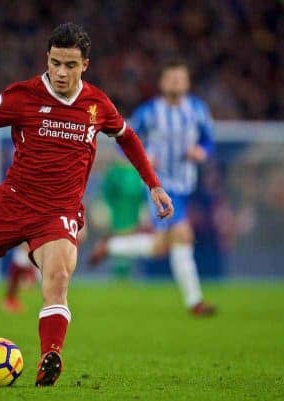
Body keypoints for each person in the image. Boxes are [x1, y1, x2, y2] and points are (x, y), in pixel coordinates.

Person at [0, 23, 173, 386]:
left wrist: (154, 185)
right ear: (47, 60)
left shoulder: (97, 105)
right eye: (56, 63)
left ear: (85, 64)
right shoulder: (22, 96)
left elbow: (127, 137)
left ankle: (50, 356)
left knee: (58, 278)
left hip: (58, 213)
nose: (61, 72)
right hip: (10, 204)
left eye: (70, 64)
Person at [89, 60, 216, 317]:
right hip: (160, 186)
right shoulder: (148, 113)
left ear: (187, 83)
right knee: (183, 234)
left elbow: (209, 141)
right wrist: (145, 158)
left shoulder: (198, 110)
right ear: (162, 83)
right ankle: (195, 302)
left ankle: (111, 246)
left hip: (187, 185)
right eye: (171, 79)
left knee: (161, 246)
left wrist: (201, 152)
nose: (176, 84)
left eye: (180, 79)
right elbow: (123, 143)